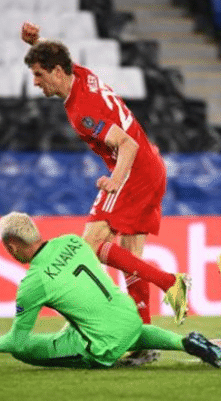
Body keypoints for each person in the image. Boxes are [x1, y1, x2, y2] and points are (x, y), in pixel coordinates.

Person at [19, 22, 188, 357]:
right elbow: (59, 56)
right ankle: (142, 343)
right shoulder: (78, 75)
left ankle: (171, 282)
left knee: (89, 247)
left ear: (56, 72)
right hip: (152, 167)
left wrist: (115, 179)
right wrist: (37, 43)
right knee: (129, 256)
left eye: (39, 75)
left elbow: (125, 145)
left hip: (134, 170)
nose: (35, 83)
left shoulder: (83, 112)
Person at [0, 212, 221, 370]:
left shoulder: (33, 282)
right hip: (130, 318)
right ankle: (186, 342)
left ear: (12, 246)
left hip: (102, 345)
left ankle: (165, 293)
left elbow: (17, 340)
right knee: (122, 327)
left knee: (24, 349)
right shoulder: (73, 242)